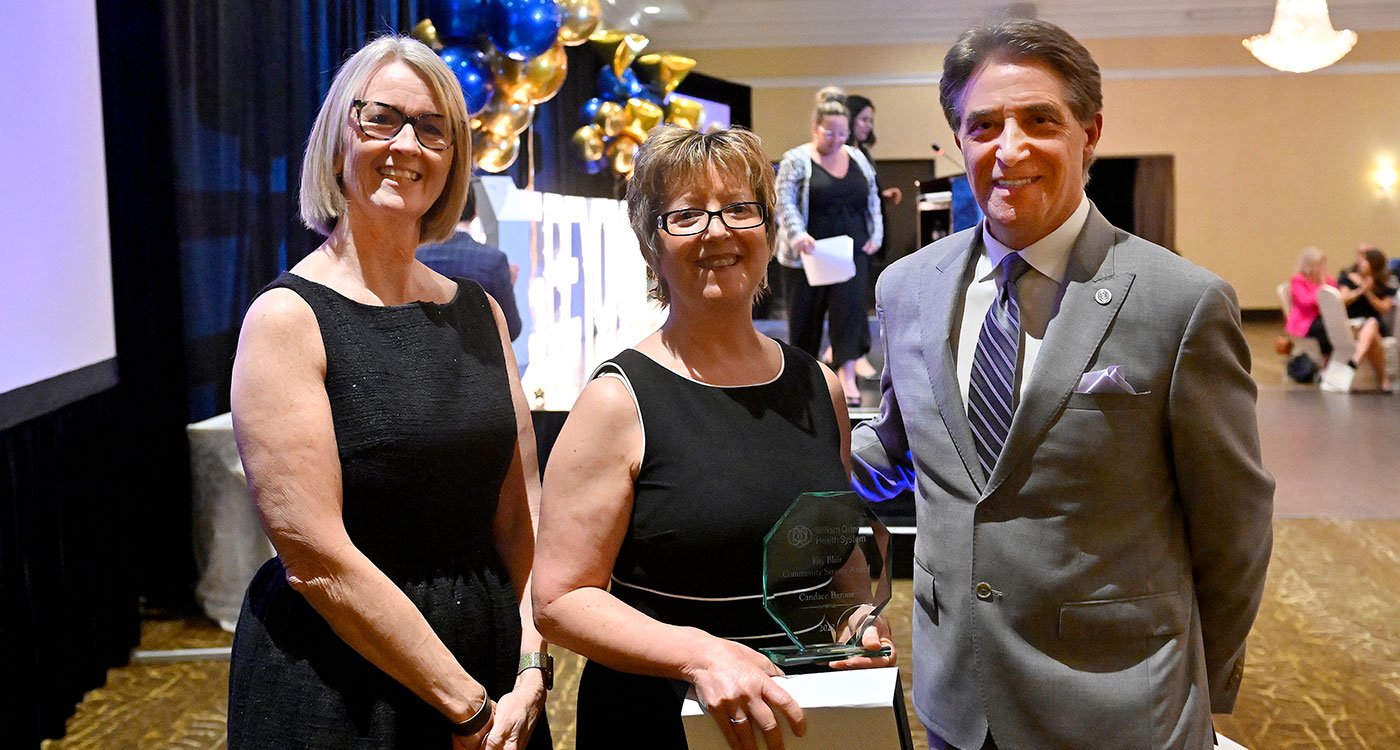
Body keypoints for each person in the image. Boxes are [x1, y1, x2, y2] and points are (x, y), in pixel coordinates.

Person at [849, 18, 1273, 750]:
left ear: (1090, 132)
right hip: (957, 702)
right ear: (959, 142)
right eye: (983, 125)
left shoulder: (1181, 302)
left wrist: (1201, 683)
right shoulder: (905, 288)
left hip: (1118, 709)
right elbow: (897, 453)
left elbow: (1234, 527)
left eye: (1039, 119)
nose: (1009, 149)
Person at [226, 36, 550, 749]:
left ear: (454, 157)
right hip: (346, 683)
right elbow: (317, 562)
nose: (408, 144)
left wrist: (532, 663)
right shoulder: (287, 319)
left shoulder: (479, 312)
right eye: (382, 119)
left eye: (433, 129)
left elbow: (522, 516)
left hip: (493, 665)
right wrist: (464, 704)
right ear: (340, 134)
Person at [532, 125, 895, 750]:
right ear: (652, 245)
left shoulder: (818, 386)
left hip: (803, 714)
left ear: (769, 231)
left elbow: (841, 566)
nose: (718, 231)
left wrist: (854, 625)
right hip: (659, 718)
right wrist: (699, 656)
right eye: (687, 215)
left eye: (738, 209)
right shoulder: (617, 400)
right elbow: (560, 599)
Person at [776, 89, 883, 407]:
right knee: (804, 319)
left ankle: (846, 376)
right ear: (814, 127)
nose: (836, 139)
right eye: (829, 132)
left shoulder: (857, 157)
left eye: (842, 132)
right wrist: (798, 236)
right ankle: (803, 378)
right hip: (807, 255)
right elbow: (784, 202)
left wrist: (876, 234)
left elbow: (872, 196)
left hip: (850, 251)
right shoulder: (797, 159)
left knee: (848, 313)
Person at [417, 181, 523, 340]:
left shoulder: (416, 257)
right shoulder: (494, 261)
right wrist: (509, 281)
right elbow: (512, 330)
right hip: (479, 361)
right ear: (475, 213)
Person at [1336, 245, 1395, 390]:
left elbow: (1383, 308)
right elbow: (1343, 299)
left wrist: (1369, 293)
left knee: (1372, 324)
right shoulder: (1348, 279)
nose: (1361, 264)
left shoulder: (1384, 285)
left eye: (1365, 261)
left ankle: (1356, 359)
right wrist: (1360, 290)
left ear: (1374, 265)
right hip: (1353, 325)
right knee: (1373, 336)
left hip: (1375, 325)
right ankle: (1383, 379)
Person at [1286, 246, 1336, 357]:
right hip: (1305, 320)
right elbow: (1305, 302)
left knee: (1338, 326)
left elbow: (1335, 297)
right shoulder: (1298, 280)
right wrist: (1322, 287)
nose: (1321, 268)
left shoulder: (1328, 280)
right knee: (1327, 328)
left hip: (1324, 316)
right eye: (1318, 264)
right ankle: (1326, 359)